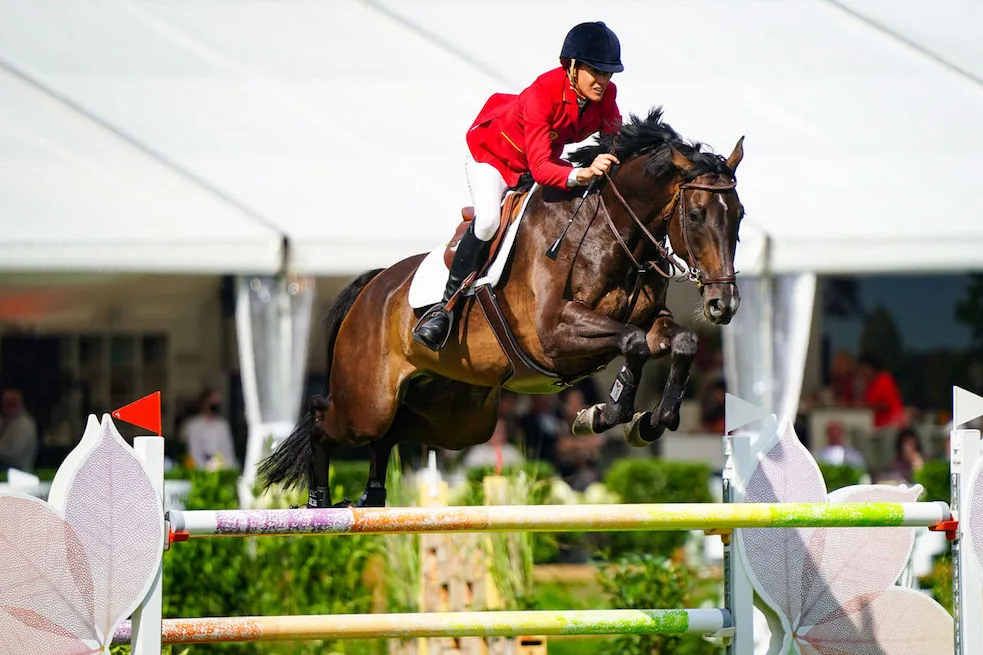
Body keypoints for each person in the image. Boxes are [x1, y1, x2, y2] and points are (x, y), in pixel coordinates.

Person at [413, 21, 625, 351]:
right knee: (486, 222)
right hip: (494, 161)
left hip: (534, 166)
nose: (602, 81)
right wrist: (580, 174)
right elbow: (542, 169)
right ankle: (445, 308)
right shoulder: (542, 93)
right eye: (595, 72)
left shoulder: (606, 95)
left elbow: (616, 142)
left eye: (608, 74)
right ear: (572, 66)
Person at [179, 388, 238, 471]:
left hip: (222, 468)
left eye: (217, 403)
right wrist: (206, 468)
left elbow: (228, 451)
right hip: (199, 469)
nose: (215, 405)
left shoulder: (223, 425)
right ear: (204, 403)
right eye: (212, 402)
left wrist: (224, 466)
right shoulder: (193, 426)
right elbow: (194, 453)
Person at [856, 354, 906, 430]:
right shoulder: (870, 384)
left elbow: (886, 405)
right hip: (878, 426)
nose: (861, 372)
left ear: (870, 368)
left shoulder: (884, 380)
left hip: (891, 425)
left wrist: (867, 406)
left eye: (863, 369)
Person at [0, 388, 38, 472]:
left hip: (18, 469)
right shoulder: (5, 420)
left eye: (12, 403)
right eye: (6, 403)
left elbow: (13, 453)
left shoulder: (25, 424)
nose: (9, 406)